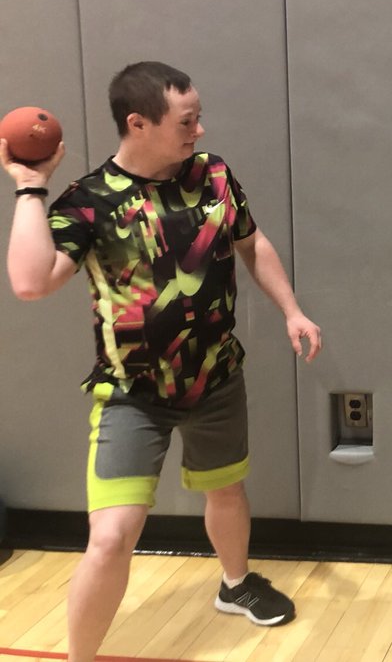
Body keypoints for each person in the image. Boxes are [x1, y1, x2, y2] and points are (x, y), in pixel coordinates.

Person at [2, 61, 323, 662]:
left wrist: (291, 310)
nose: (198, 130)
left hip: (217, 378)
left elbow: (252, 242)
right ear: (138, 123)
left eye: (198, 118)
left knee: (226, 490)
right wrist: (29, 186)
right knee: (111, 539)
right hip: (132, 396)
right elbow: (30, 283)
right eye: (187, 120)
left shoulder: (215, 175)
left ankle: (235, 584)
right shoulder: (90, 201)